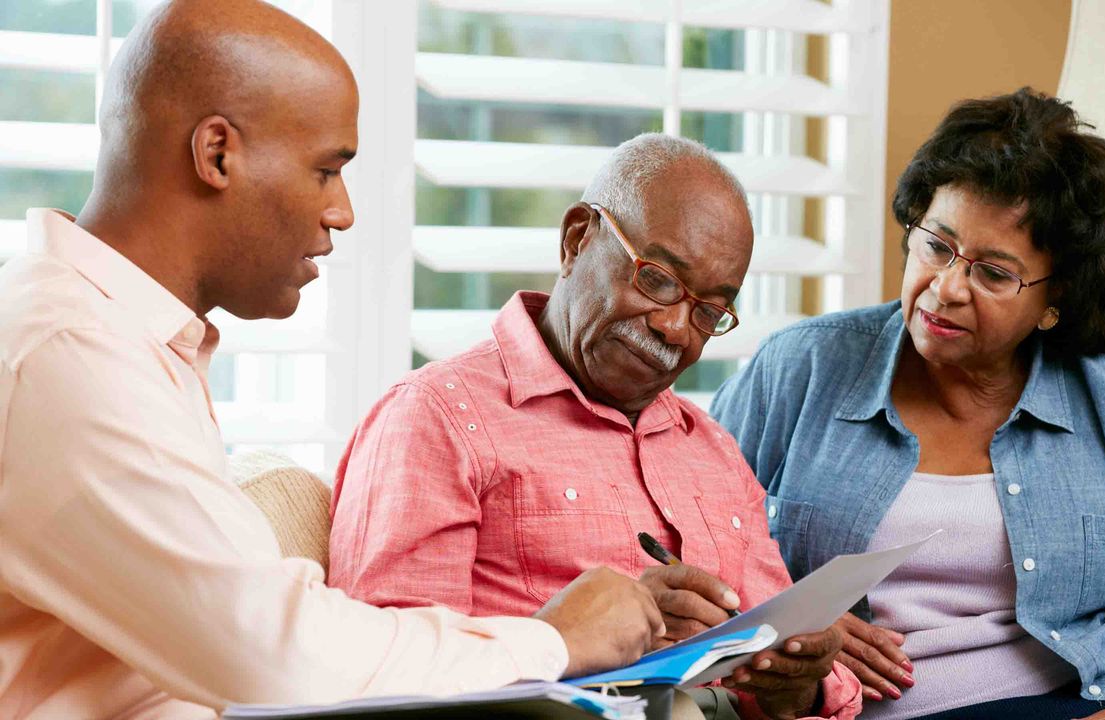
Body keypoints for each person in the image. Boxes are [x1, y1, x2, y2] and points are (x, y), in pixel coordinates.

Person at [0, 1, 664, 717]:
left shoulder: (120, 338)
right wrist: (551, 641)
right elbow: (273, 654)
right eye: (325, 170)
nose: (342, 211)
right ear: (217, 153)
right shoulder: (66, 354)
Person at [711, 87, 1105, 720]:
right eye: (936, 246)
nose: (946, 288)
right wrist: (791, 618)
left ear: (1056, 297)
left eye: (993, 273)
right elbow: (678, 555)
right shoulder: (803, 367)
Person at [328, 133, 863, 720]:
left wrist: (801, 685)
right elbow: (388, 675)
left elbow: (789, 654)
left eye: (709, 311)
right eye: (658, 279)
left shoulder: (711, 447)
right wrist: (580, 644)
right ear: (577, 239)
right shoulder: (438, 417)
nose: (676, 329)